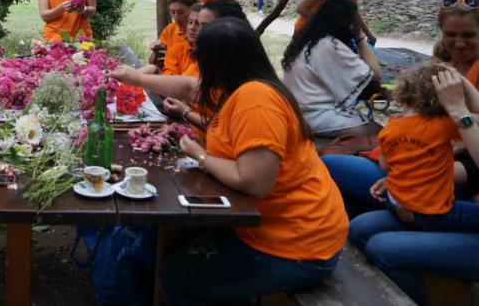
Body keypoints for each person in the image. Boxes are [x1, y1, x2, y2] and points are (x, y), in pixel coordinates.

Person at [112, 19, 348, 303]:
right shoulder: (239, 84)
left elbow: (254, 182)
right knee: (163, 242)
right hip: (273, 227)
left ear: (217, 61)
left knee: (176, 277)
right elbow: (188, 88)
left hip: (298, 245)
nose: (195, 61)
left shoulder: (256, 100)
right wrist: (136, 78)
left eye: (199, 55)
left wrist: (199, 155)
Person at [324, 0, 479, 216]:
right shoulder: (444, 65)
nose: (459, 43)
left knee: (332, 171)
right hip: (416, 160)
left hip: (448, 173)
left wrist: (411, 172)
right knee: (346, 203)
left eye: (469, 35)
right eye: (450, 34)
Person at [348, 65, 479, 305]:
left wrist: (459, 108)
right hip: (433, 206)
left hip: (424, 207)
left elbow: (386, 163)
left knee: (380, 247)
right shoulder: (442, 124)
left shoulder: (392, 127)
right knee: (358, 228)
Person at [282, 0, 382, 138]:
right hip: (314, 117)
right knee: (380, 133)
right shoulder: (328, 45)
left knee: (374, 129)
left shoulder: (309, 40)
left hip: (300, 112)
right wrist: (359, 36)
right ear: (345, 22)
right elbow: (375, 74)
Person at [161, 0, 250, 138]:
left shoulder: (241, 80)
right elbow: (182, 87)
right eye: (190, 23)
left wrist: (185, 111)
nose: (193, 28)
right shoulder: (204, 59)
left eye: (203, 25)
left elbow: (223, 128)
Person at [141, 0, 200, 74]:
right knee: (151, 68)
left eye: (181, 12)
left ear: (194, 10)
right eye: (172, 12)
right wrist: (155, 51)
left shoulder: (199, 33)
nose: (176, 17)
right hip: (170, 75)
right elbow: (153, 62)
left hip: (187, 79)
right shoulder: (170, 29)